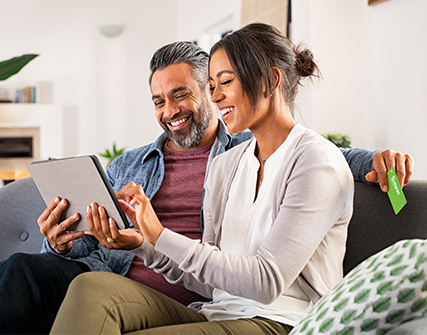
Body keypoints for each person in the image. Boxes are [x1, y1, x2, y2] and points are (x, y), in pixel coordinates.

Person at [0, 40, 413, 335]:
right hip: (183, 294)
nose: (170, 110)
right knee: (34, 271)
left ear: (265, 82)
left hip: (264, 311)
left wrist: (381, 163)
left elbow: (325, 155)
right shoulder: (168, 164)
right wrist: (79, 242)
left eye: (186, 93)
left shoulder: (263, 151)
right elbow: (105, 241)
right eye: (158, 101)